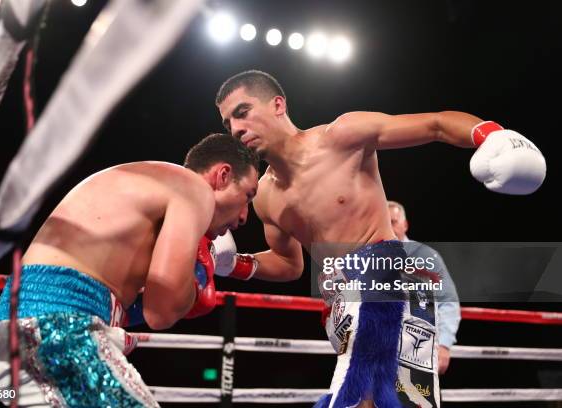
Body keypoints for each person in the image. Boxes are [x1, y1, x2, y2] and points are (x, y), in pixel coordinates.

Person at [214, 70, 546, 407]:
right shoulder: (265, 196)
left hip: (388, 282)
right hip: (341, 304)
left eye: (243, 112)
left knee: (359, 400)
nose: (237, 128)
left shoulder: (342, 136)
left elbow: (436, 124)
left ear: (278, 105)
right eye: (228, 123)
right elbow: (288, 263)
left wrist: (491, 135)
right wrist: (236, 265)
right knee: (403, 403)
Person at [0, 133, 259, 407]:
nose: (245, 216)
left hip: (14, 340)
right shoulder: (193, 189)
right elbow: (161, 312)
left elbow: (130, 303)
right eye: (248, 195)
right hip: (55, 333)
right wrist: (198, 278)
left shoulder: (148, 192)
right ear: (222, 175)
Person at [388, 200, 461, 375]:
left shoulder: (425, 255)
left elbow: (447, 300)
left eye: (393, 222)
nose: (389, 228)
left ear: (405, 225)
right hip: (380, 350)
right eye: (384, 222)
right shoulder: (369, 258)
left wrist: (444, 344)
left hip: (420, 349)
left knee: (420, 399)